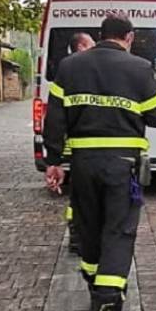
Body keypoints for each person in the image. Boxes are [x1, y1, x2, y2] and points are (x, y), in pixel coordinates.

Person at [43, 14, 156, 311]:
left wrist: (54, 161)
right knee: (118, 233)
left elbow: (54, 118)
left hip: (82, 165)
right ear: (128, 37)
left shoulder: (69, 67)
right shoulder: (139, 68)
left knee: (90, 230)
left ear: (100, 36)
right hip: (122, 166)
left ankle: (96, 296)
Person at [62, 32, 96, 255]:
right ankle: (79, 235)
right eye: (92, 43)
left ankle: (76, 235)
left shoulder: (67, 68)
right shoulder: (84, 70)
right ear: (82, 46)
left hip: (73, 145)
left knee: (77, 193)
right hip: (82, 144)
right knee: (82, 195)